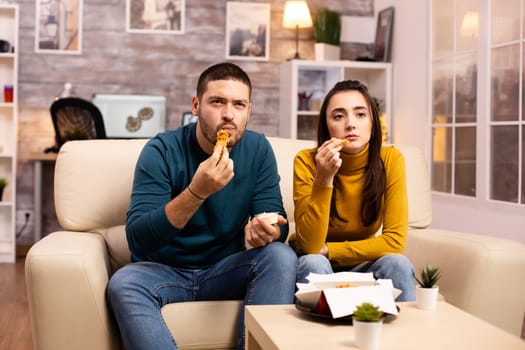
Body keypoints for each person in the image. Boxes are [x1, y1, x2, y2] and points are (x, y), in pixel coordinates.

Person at [107, 62, 297, 350]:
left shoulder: (257, 149)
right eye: (217, 102)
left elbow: (274, 218)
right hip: (164, 271)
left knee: (280, 255)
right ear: (196, 105)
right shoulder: (161, 151)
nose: (228, 114)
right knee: (124, 283)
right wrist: (197, 191)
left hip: (225, 269)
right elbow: (138, 238)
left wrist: (267, 230)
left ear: (249, 110)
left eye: (239, 104)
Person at [289, 79, 415, 301]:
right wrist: (324, 178)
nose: (350, 124)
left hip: (363, 265)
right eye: (338, 116)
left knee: (398, 263)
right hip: (319, 264)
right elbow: (310, 246)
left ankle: (405, 336)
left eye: (360, 114)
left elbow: (394, 241)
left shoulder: (391, 159)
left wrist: (331, 250)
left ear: (373, 123)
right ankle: (319, 336)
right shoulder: (306, 161)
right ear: (326, 126)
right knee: (314, 261)